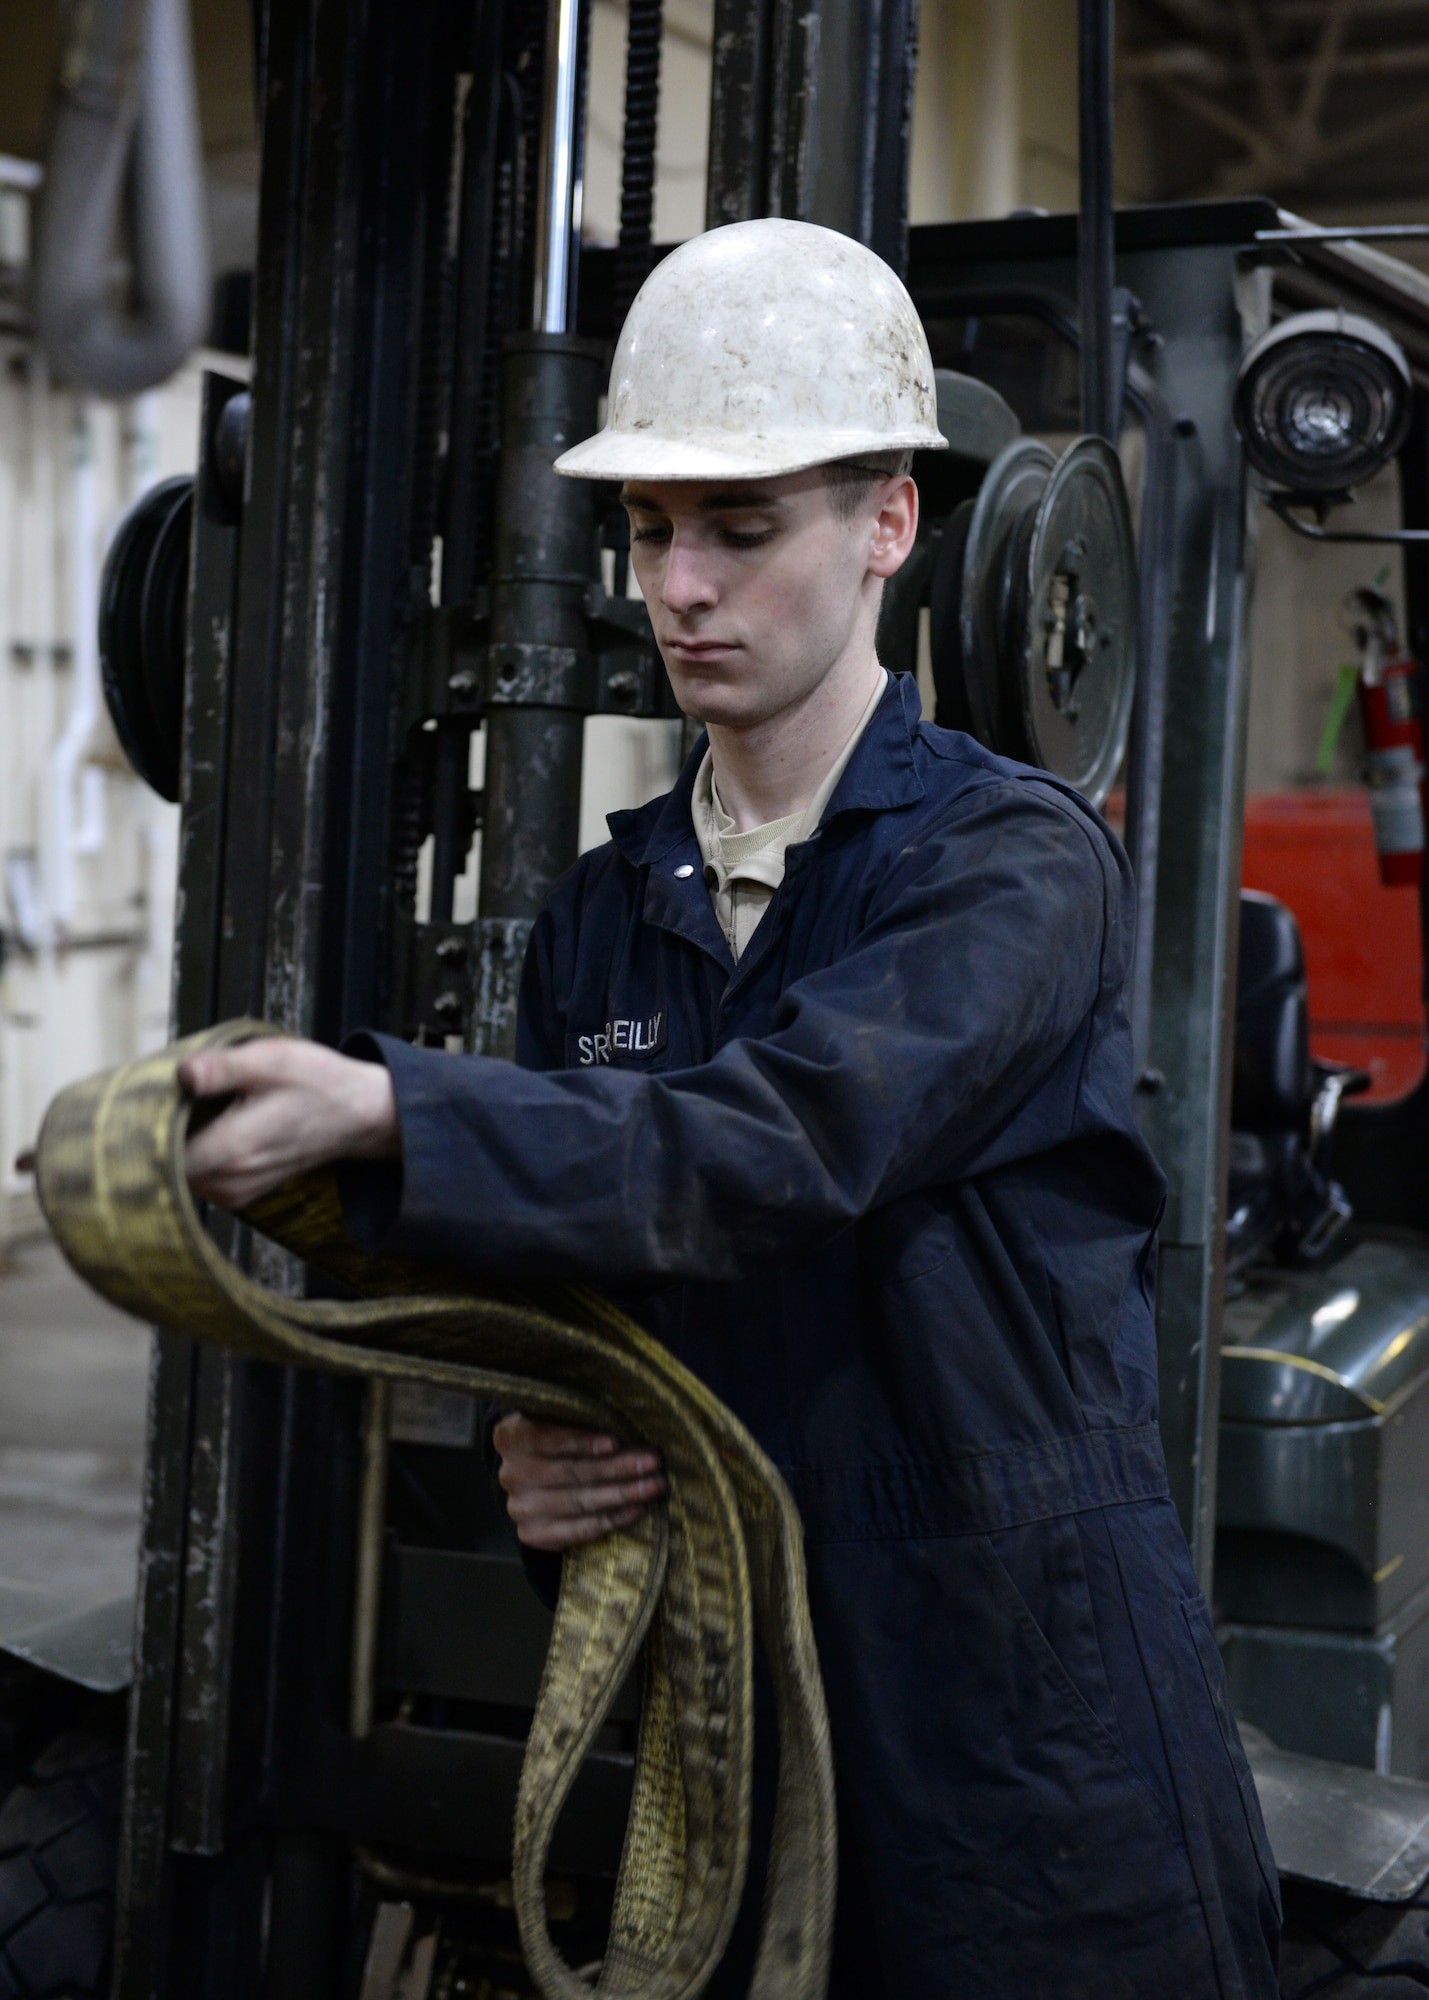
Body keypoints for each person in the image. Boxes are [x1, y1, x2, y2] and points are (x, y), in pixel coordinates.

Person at [179, 218, 1281, 1996]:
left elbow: (778, 1143)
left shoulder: (1010, 864)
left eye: (741, 529)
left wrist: (391, 1115)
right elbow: (592, 1304)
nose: (677, 587)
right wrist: (548, 1470)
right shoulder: (608, 918)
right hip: (739, 1740)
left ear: (888, 528)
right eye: (647, 529)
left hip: (1020, 1747)